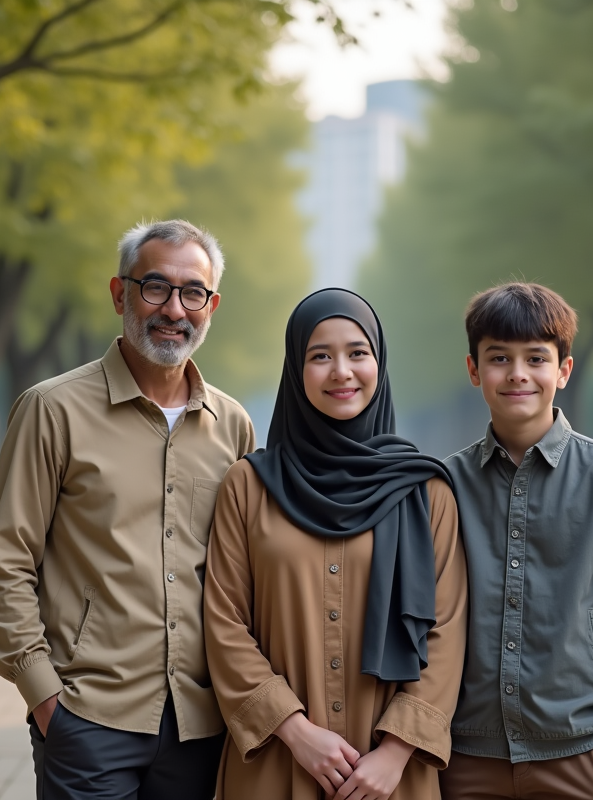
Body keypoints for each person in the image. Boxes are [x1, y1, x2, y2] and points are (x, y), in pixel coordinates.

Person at [0, 220, 256, 800]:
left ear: (212, 305)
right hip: (88, 716)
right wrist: (46, 700)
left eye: (192, 293)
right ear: (119, 292)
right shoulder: (52, 411)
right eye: (155, 286)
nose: (174, 309)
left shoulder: (233, 426)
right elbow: (5, 565)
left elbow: (247, 571)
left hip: (201, 724)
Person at [204, 288, 468, 800]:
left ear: (379, 363)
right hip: (278, 764)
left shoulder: (424, 491)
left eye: (357, 353)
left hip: (391, 776)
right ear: (295, 371)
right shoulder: (249, 485)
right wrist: (294, 731)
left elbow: (448, 629)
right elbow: (224, 621)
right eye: (319, 356)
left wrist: (395, 753)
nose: (341, 371)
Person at [440, 282, 593, 800]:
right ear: (473, 370)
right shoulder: (445, 485)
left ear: (563, 371)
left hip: (582, 760)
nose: (518, 373)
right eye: (499, 357)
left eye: (536, 358)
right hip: (465, 760)